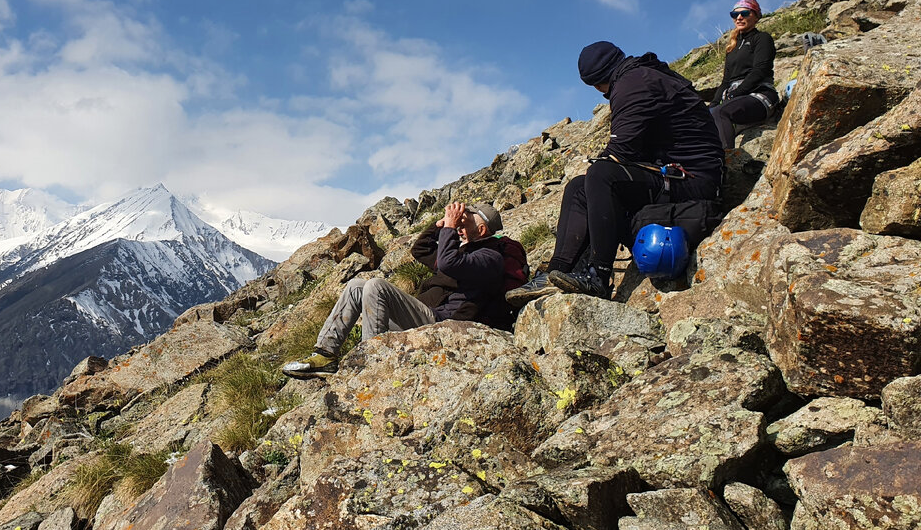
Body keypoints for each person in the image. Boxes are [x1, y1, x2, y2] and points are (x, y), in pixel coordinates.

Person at [541, 41, 724, 299]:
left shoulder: (631, 85)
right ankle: (556, 272)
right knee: (578, 187)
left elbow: (621, 152)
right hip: (680, 174)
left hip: (694, 181)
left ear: (596, 83)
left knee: (601, 175)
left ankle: (598, 275)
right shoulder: (643, 74)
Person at [282, 201, 507, 378]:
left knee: (377, 286)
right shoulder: (461, 254)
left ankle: (371, 360)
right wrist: (440, 225)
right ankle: (325, 354)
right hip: (423, 317)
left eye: (464, 222)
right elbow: (420, 250)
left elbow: (448, 263)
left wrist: (450, 227)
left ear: (481, 229)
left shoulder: (489, 258)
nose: (458, 225)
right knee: (356, 286)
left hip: (443, 325)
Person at [709, 0, 778, 149]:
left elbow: (760, 69)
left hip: (761, 96)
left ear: (756, 16)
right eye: (735, 14)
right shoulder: (731, 48)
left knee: (721, 113)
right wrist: (712, 105)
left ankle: (726, 162)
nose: (739, 17)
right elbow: (726, 81)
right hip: (738, 98)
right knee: (710, 115)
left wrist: (737, 93)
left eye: (744, 13)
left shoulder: (762, 39)